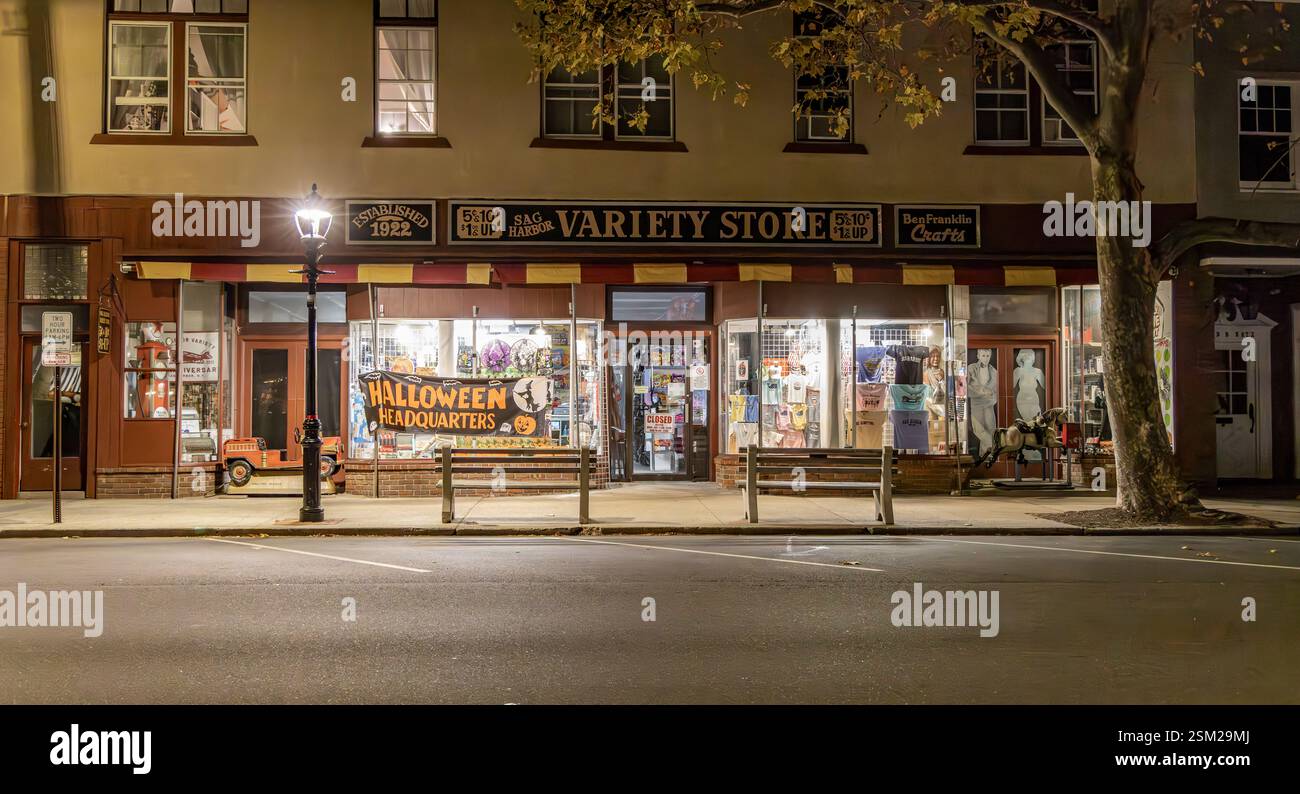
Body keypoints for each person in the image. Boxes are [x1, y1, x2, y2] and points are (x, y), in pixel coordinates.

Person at [968, 349, 997, 457]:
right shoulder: (971, 368)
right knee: (978, 429)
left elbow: (997, 389)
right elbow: (965, 386)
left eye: (988, 355)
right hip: (976, 403)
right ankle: (994, 447)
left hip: (989, 403)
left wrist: (992, 395)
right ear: (978, 356)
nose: (986, 358)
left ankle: (985, 458)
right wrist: (982, 391)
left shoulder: (994, 371)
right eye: (983, 355)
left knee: (991, 429)